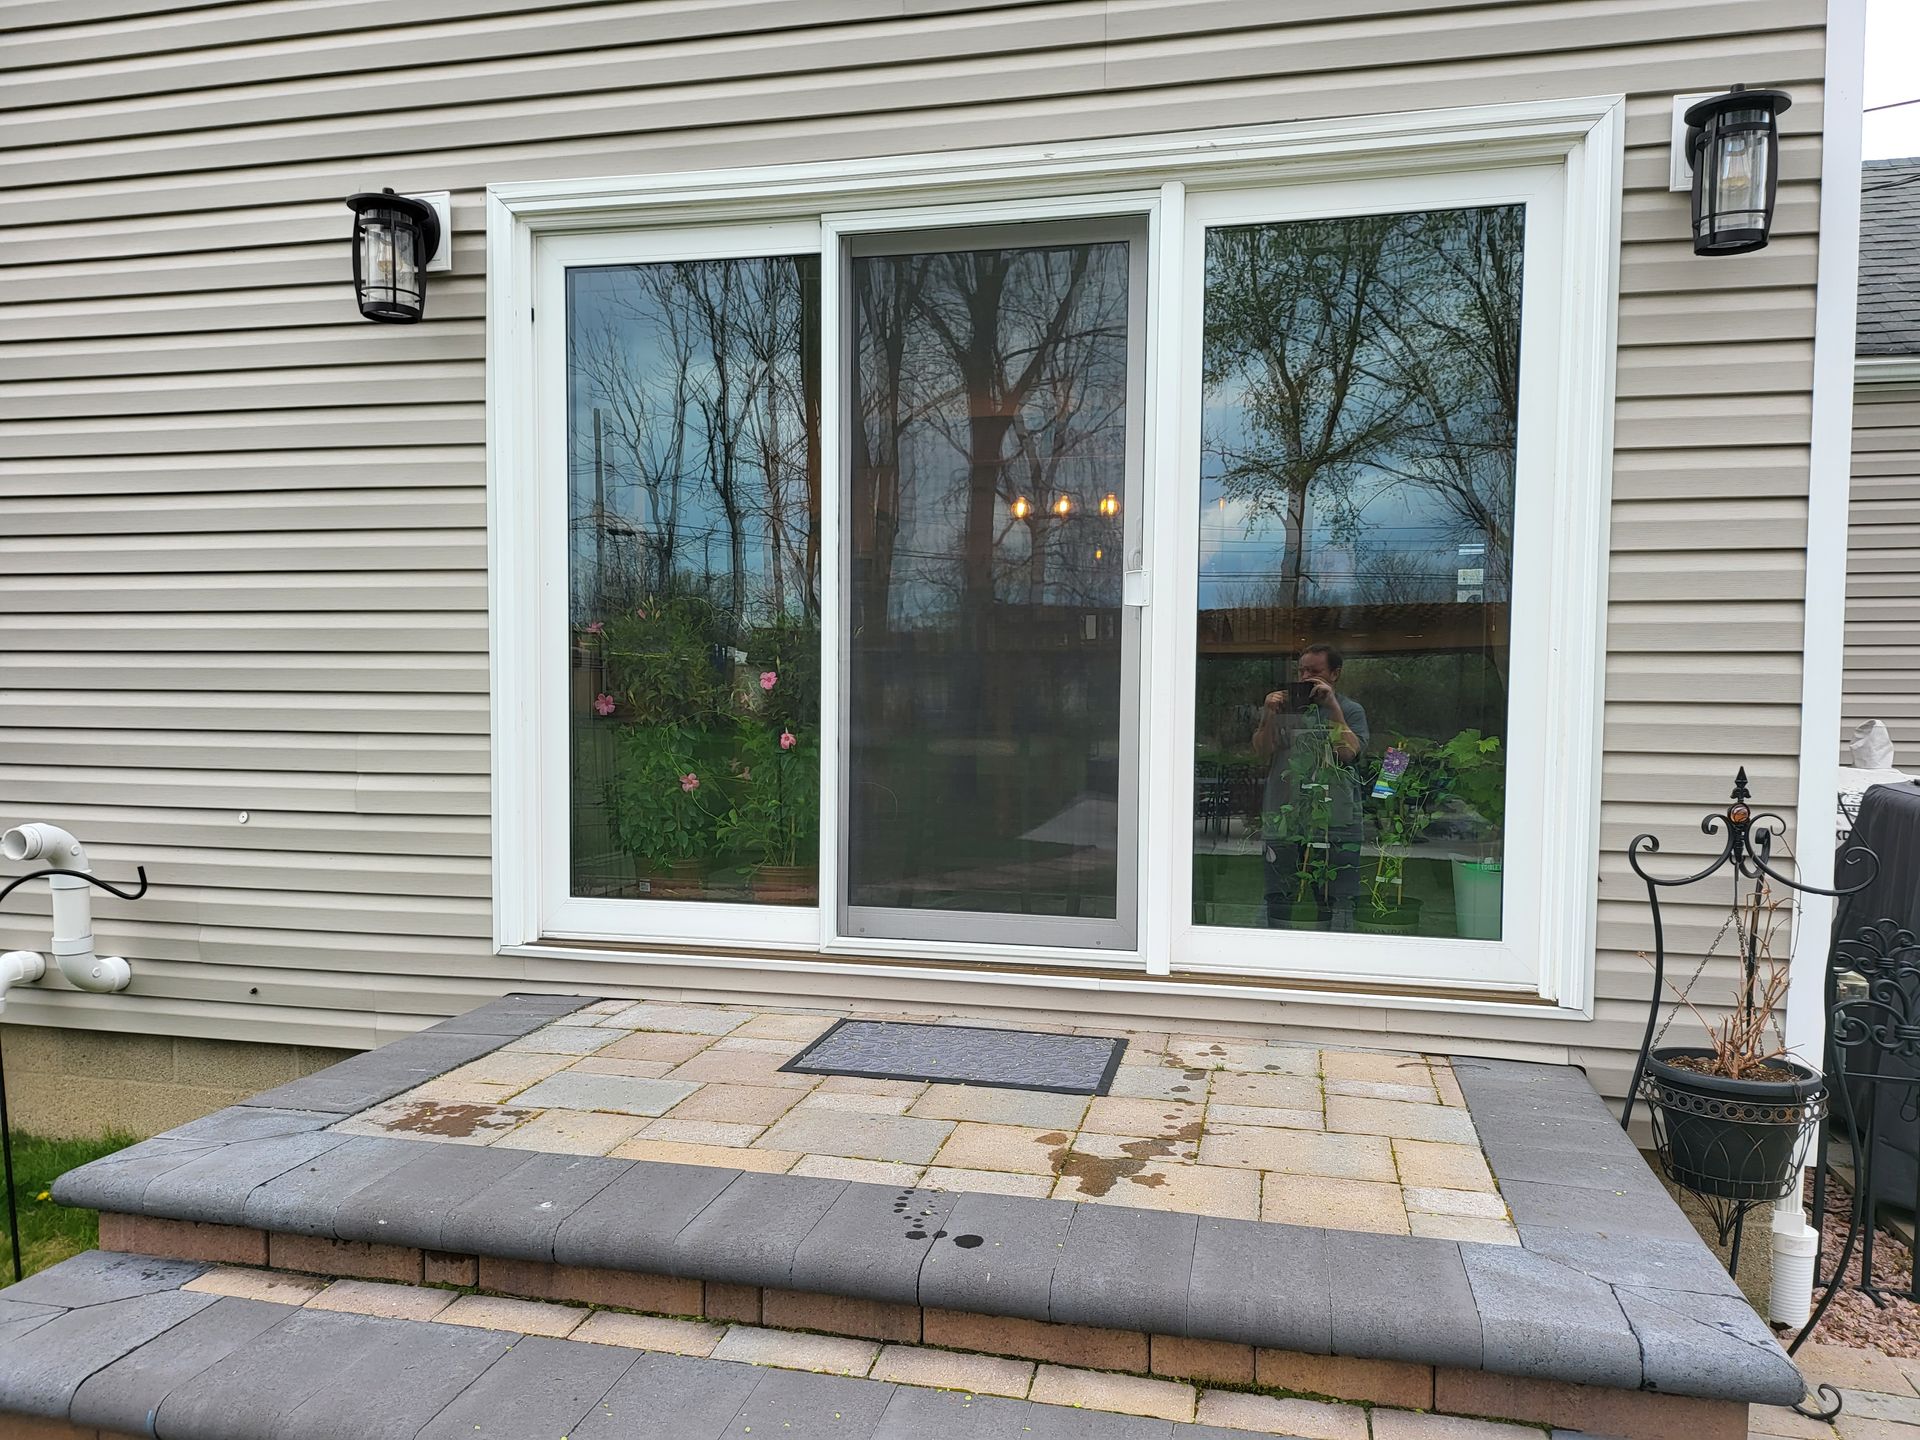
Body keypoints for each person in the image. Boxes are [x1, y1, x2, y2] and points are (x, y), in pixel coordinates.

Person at [1251, 644, 1370, 930]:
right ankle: (1276, 956)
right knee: (1279, 895)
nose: (1305, 677)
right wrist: (1268, 715)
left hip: (1333, 819)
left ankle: (1330, 958)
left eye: (1314, 671)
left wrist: (1332, 708)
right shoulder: (1283, 709)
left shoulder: (1350, 710)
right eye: (1302, 670)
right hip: (1284, 815)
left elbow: (1349, 753)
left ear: (1335, 674)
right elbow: (1261, 751)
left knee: (1332, 896)